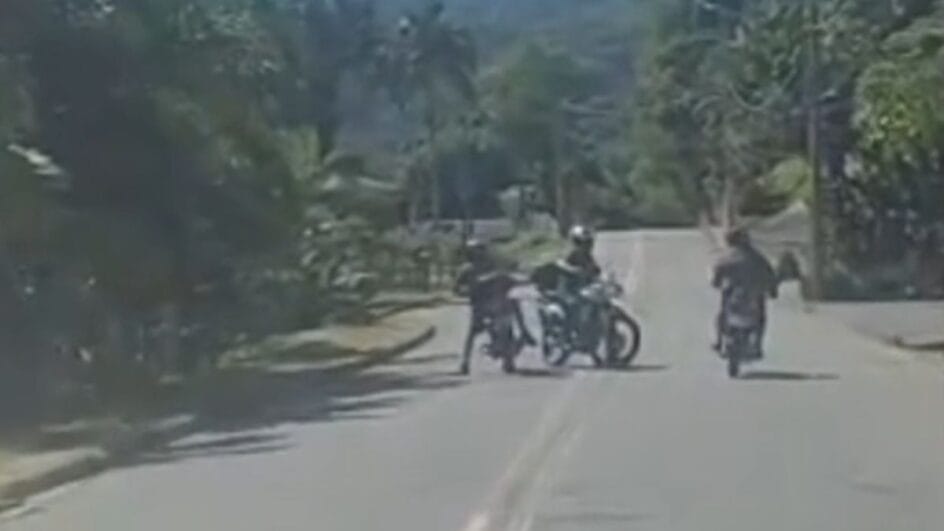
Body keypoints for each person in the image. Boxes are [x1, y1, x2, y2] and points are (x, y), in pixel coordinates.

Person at [454, 240, 535, 375]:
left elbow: (509, 281)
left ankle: (513, 350)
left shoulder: (492, 266)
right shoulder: (467, 270)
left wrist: (516, 281)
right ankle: (465, 362)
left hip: (498, 305)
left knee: (512, 308)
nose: (479, 254)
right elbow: (457, 289)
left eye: (481, 251)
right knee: (472, 334)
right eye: (476, 251)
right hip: (480, 306)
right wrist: (471, 290)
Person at [712, 228, 779, 356]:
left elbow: (718, 273)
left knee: (723, 313)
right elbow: (770, 276)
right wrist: (772, 290)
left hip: (736, 292)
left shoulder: (728, 257)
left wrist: (717, 283)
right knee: (760, 318)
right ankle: (757, 345)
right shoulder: (758, 258)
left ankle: (719, 342)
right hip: (753, 293)